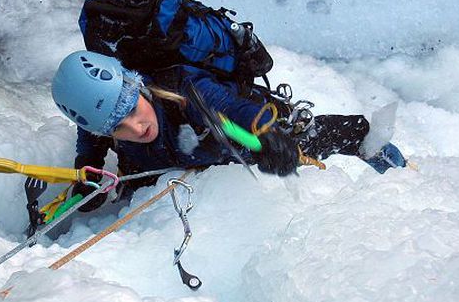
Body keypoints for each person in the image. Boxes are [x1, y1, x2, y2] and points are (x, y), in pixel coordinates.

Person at [51, 50, 407, 210]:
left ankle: (365, 141)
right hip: (175, 165)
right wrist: (88, 172)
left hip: (232, 134)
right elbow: (91, 140)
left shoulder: (185, 90)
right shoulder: (101, 124)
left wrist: (266, 133)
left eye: (132, 109)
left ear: (139, 86)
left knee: (299, 145)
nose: (137, 126)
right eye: (118, 127)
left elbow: (234, 109)